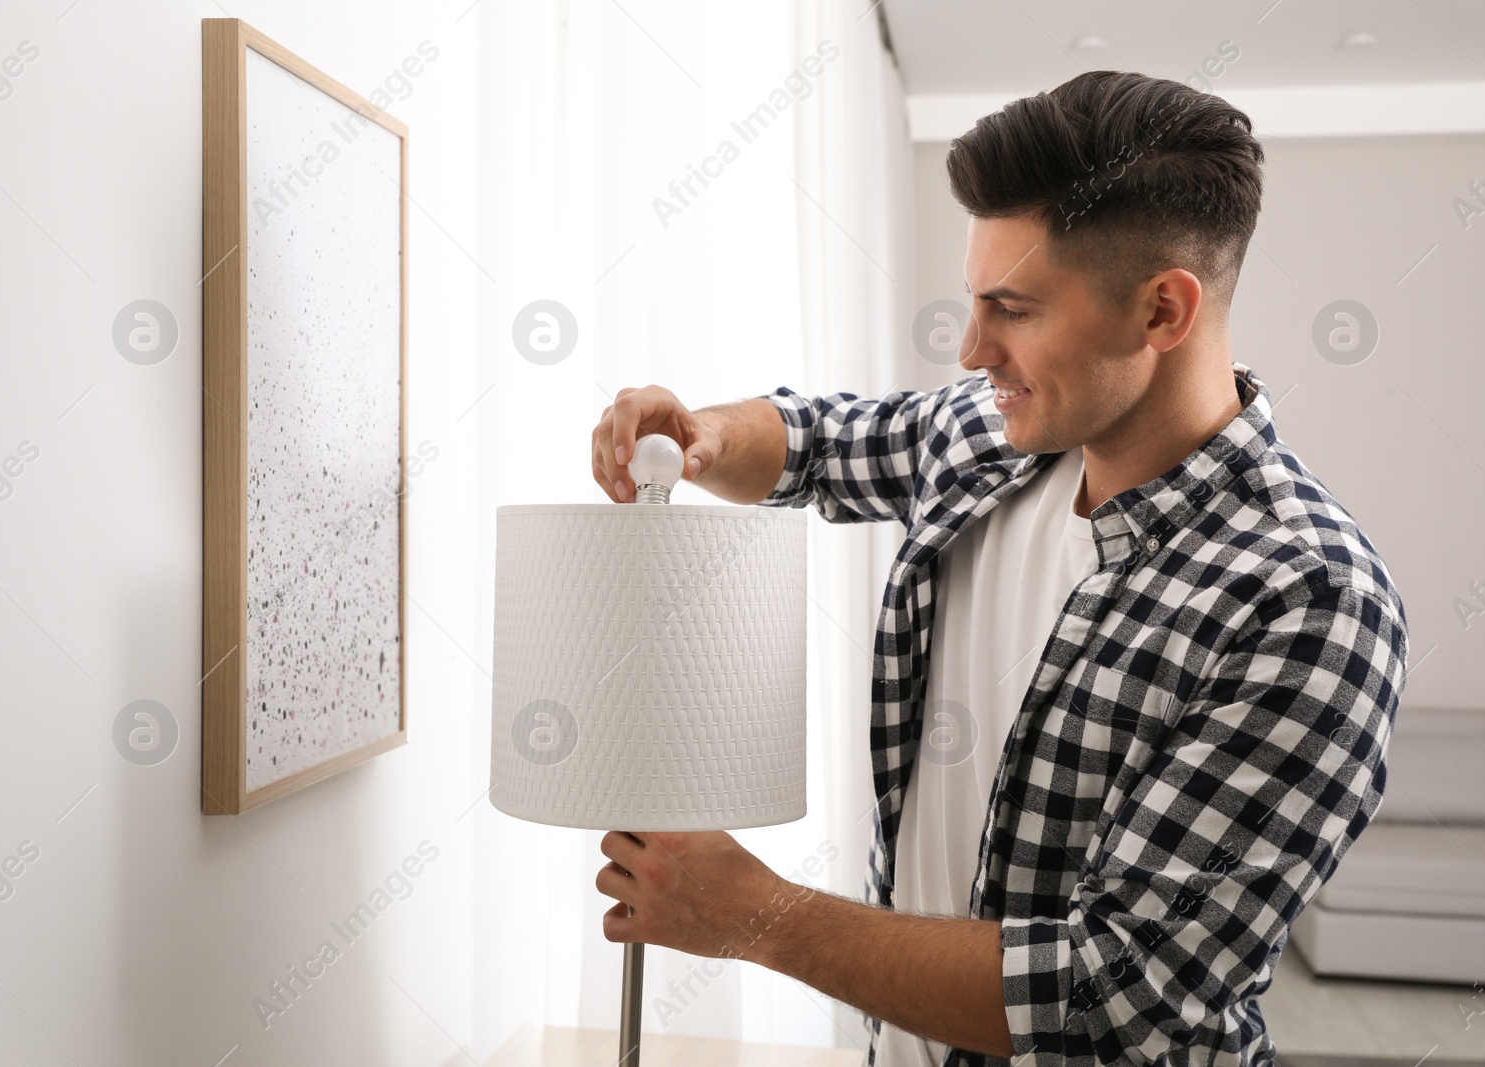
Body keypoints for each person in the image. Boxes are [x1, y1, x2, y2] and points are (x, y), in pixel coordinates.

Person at [587, 70, 1407, 1066]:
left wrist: (759, 915)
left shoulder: (1307, 601)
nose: (973, 349)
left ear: (1161, 311)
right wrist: (701, 432)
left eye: (1012, 308)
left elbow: (1112, 993)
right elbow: (817, 440)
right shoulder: (994, 435)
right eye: (973, 301)